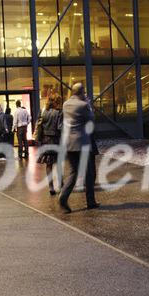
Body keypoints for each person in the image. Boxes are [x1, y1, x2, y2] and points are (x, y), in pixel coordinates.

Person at [58, 83, 99, 213]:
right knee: (89, 173)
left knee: (73, 172)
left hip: (69, 144)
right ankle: (90, 202)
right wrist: (88, 105)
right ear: (82, 92)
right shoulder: (84, 105)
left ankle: (63, 197)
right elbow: (92, 120)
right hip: (82, 143)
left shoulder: (65, 104)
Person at [35, 94, 63, 196]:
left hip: (45, 141)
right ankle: (60, 184)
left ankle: (51, 187)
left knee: (48, 164)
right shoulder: (59, 112)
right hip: (56, 140)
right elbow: (60, 128)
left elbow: (39, 125)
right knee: (58, 163)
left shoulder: (43, 111)